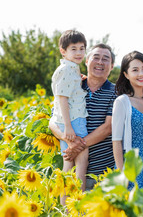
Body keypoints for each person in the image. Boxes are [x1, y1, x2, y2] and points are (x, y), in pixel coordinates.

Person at [49, 43, 116, 196]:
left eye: (105, 59)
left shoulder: (116, 92)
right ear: (86, 61)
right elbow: (52, 121)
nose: (100, 62)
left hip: (101, 175)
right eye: (95, 57)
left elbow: (108, 127)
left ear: (112, 66)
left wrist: (76, 147)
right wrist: (69, 140)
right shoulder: (72, 84)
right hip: (71, 171)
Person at [112, 51, 143, 190]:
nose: (141, 74)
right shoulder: (122, 102)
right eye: (135, 70)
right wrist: (121, 174)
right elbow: (116, 141)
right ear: (126, 74)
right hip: (130, 167)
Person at [49, 30, 88, 193]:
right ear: (63, 51)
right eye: (74, 49)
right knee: (81, 161)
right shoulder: (66, 70)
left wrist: (79, 80)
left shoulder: (69, 69)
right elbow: (62, 99)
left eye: (82, 48)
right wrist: (68, 127)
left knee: (69, 163)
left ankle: (65, 208)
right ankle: (76, 204)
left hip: (69, 120)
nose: (79, 52)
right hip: (73, 120)